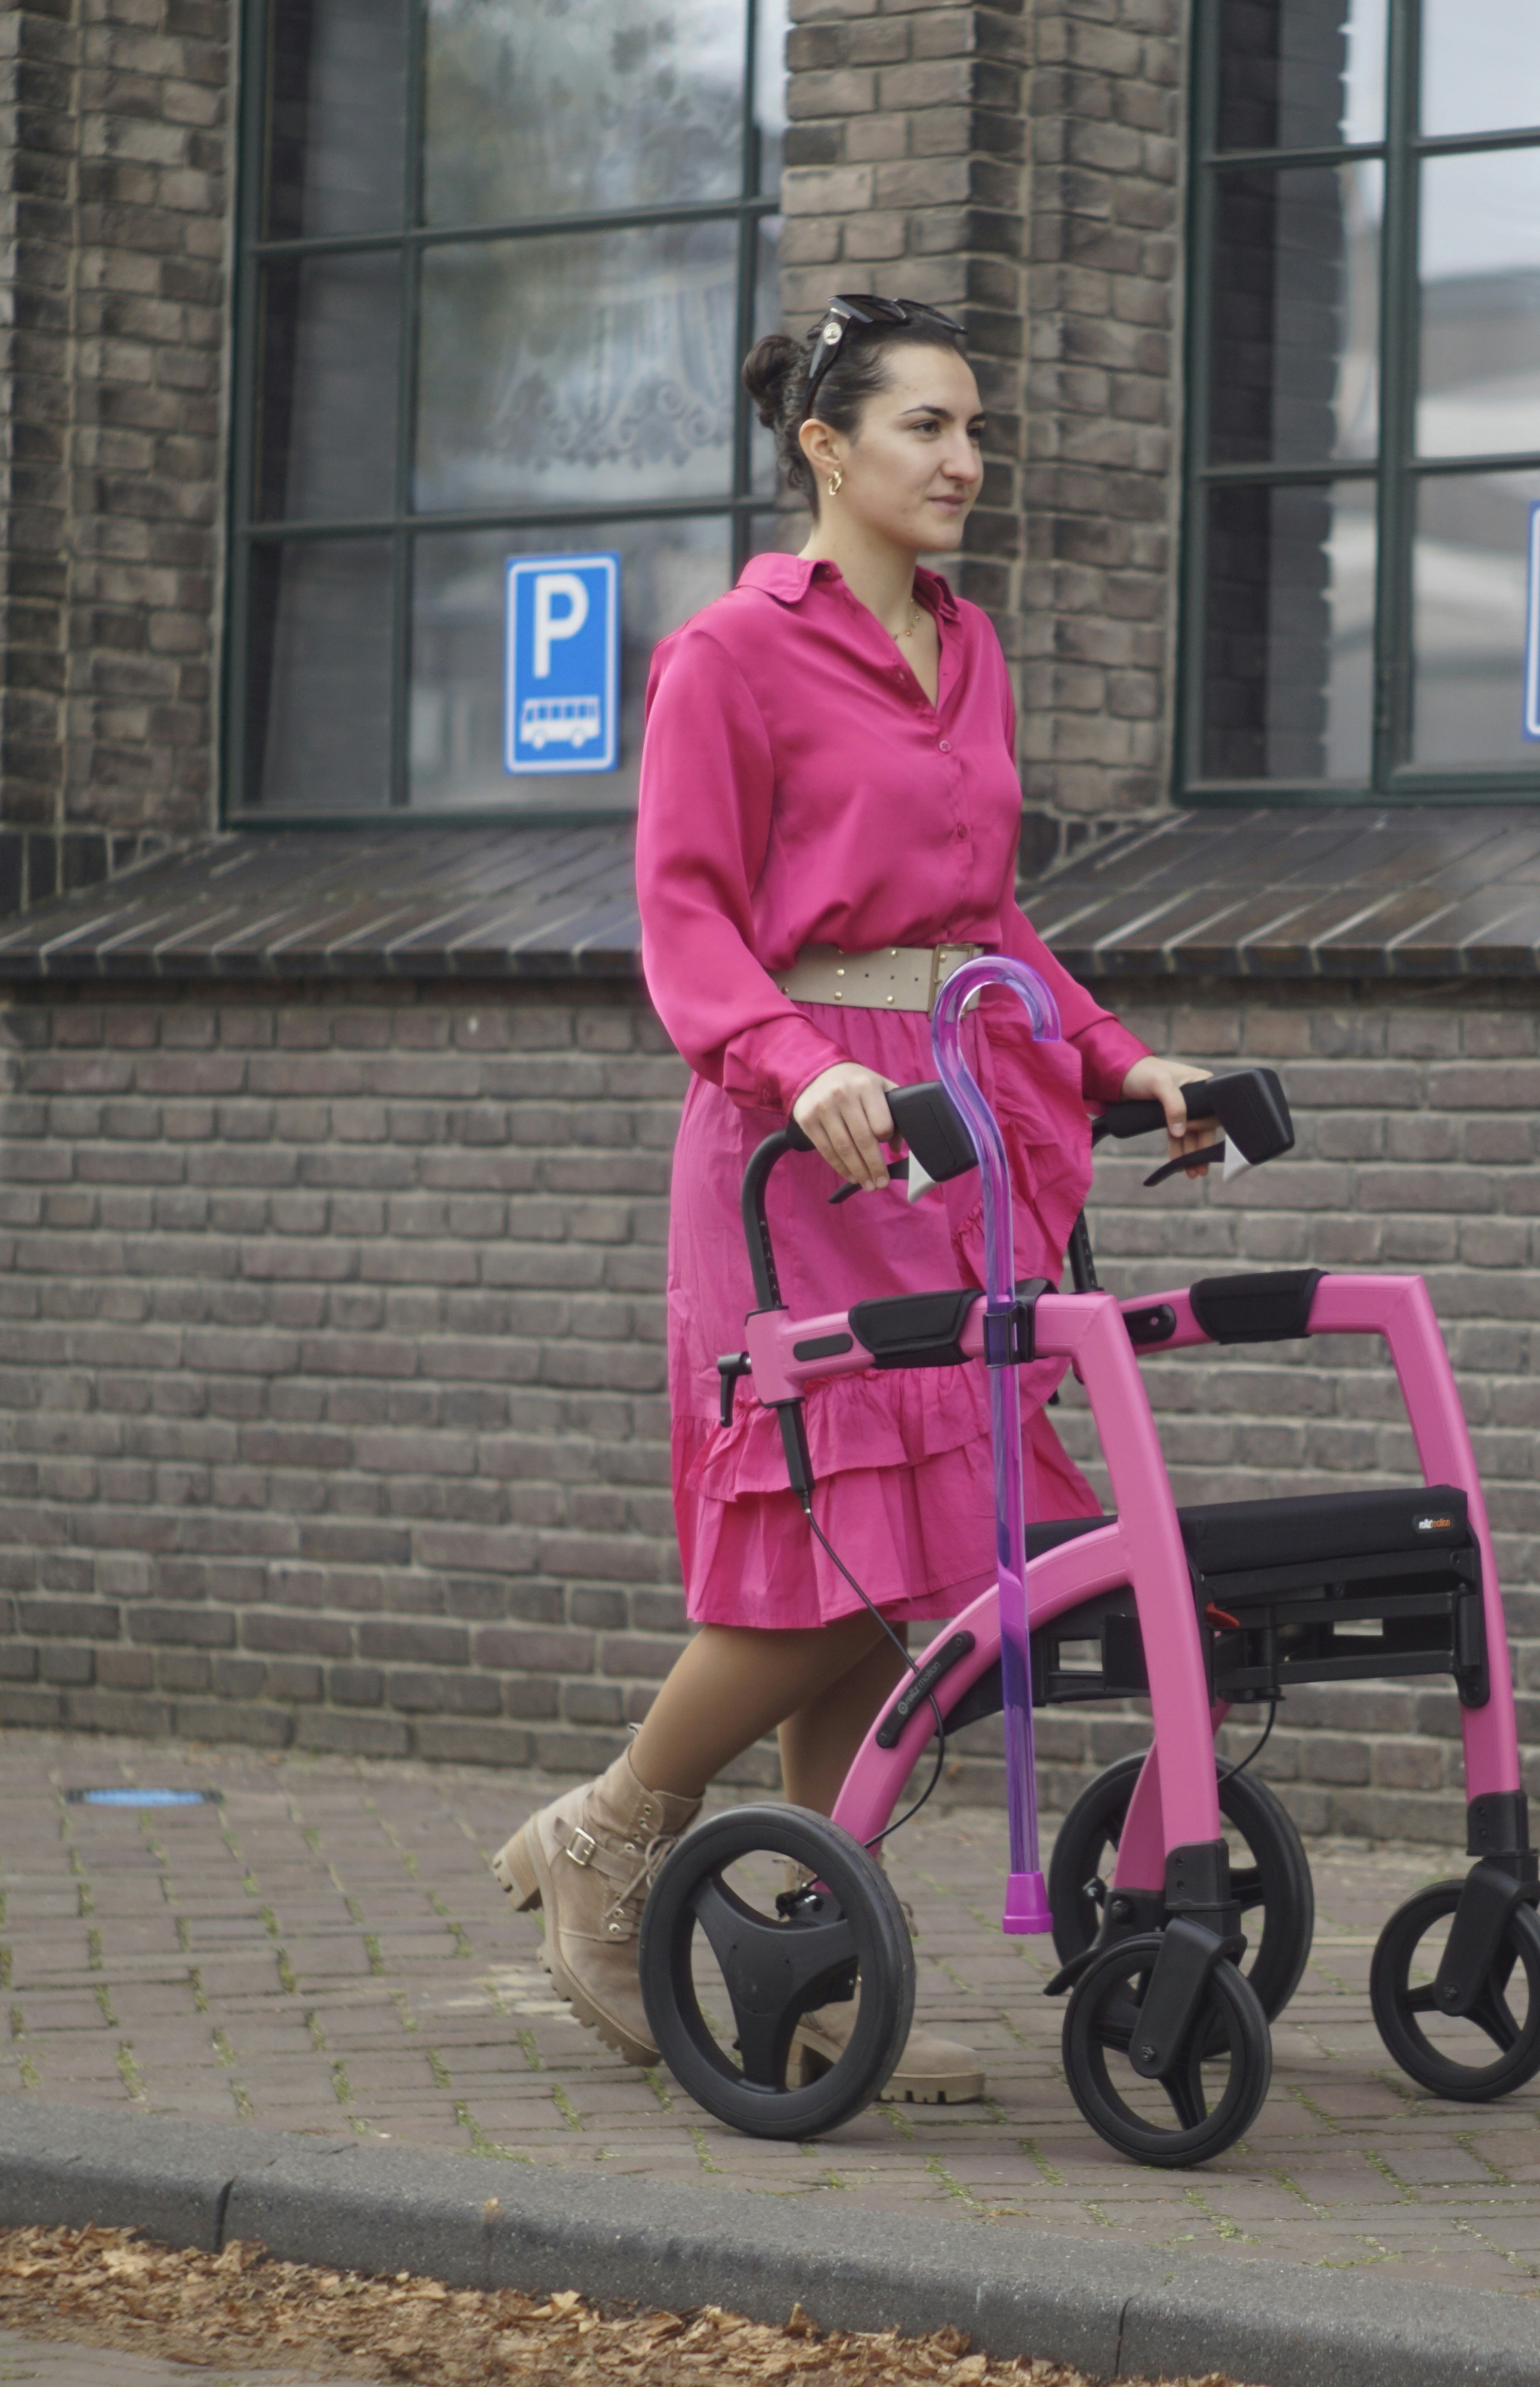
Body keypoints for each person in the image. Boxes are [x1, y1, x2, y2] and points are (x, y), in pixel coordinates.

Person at [491, 295, 1219, 2104]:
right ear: (828, 448)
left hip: (959, 1133)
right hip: (803, 1143)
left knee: (918, 1576)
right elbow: (684, 913)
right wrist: (778, 1059)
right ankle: (612, 1833)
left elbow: (991, 922)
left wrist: (1123, 1059)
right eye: (928, 429)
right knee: (842, 1537)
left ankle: (812, 1972)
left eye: (978, 430)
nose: (967, 462)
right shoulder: (730, 655)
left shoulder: (969, 649)